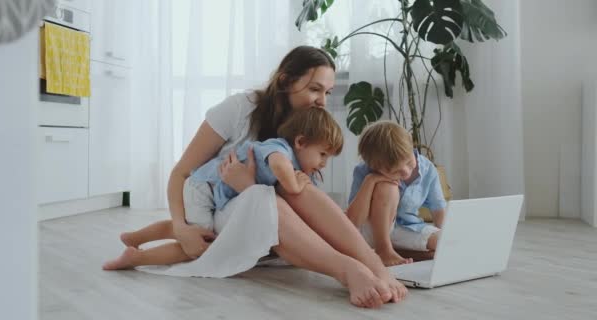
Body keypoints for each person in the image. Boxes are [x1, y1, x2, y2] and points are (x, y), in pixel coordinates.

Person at [109, 46, 406, 308]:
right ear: (286, 81)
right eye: (315, 89)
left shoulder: (307, 130)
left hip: (273, 230)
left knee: (295, 188)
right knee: (272, 198)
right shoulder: (240, 109)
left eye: (327, 93)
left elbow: (308, 208)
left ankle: (374, 266)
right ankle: (347, 270)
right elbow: (180, 173)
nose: (322, 101)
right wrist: (181, 227)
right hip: (222, 209)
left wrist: (251, 186)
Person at [103, 107, 343, 270]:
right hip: (204, 187)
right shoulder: (281, 150)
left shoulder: (290, 155)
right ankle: (138, 258)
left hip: (205, 187)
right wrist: (293, 185)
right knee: (200, 245)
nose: (323, 163)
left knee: (191, 228)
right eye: (322, 154)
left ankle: (136, 237)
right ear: (300, 142)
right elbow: (279, 166)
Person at [347, 121, 446, 267]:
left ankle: (392, 252)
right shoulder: (364, 171)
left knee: (443, 242)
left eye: (408, 162)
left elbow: (438, 209)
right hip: (371, 230)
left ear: (412, 147)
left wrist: (443, 235)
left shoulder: (428, 169)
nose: (405, 172)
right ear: (374, 166)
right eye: (394, 171)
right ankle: (383, 250)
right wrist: (370, 180)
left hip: (406, 228)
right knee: (388, 188)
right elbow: (354, 221)